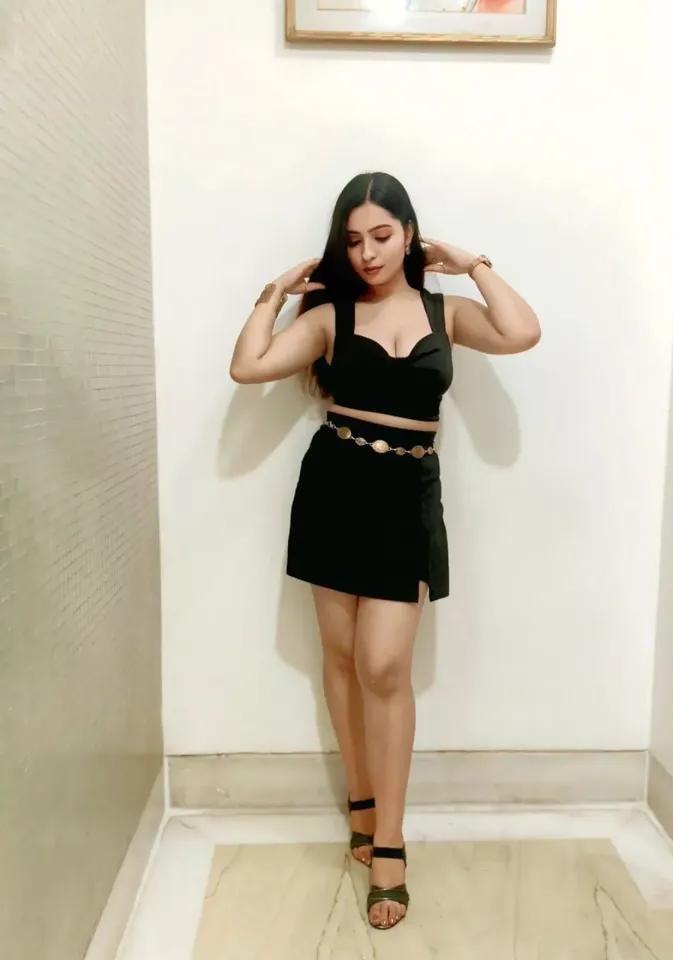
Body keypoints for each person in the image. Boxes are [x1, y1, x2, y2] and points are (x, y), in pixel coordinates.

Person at [229, 171, 540, 930]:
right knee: (341, 659)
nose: (367, 253)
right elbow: (248, 366)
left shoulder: (445, 311)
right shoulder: (330, 316)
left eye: (381, 235)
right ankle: (362, 801)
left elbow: (522, 332)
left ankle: (391, 840)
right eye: (353, 240)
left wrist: (471, 263)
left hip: (407, 497)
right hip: (335, 489)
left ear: (408, 234)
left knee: (384, 666)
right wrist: (274, 293)